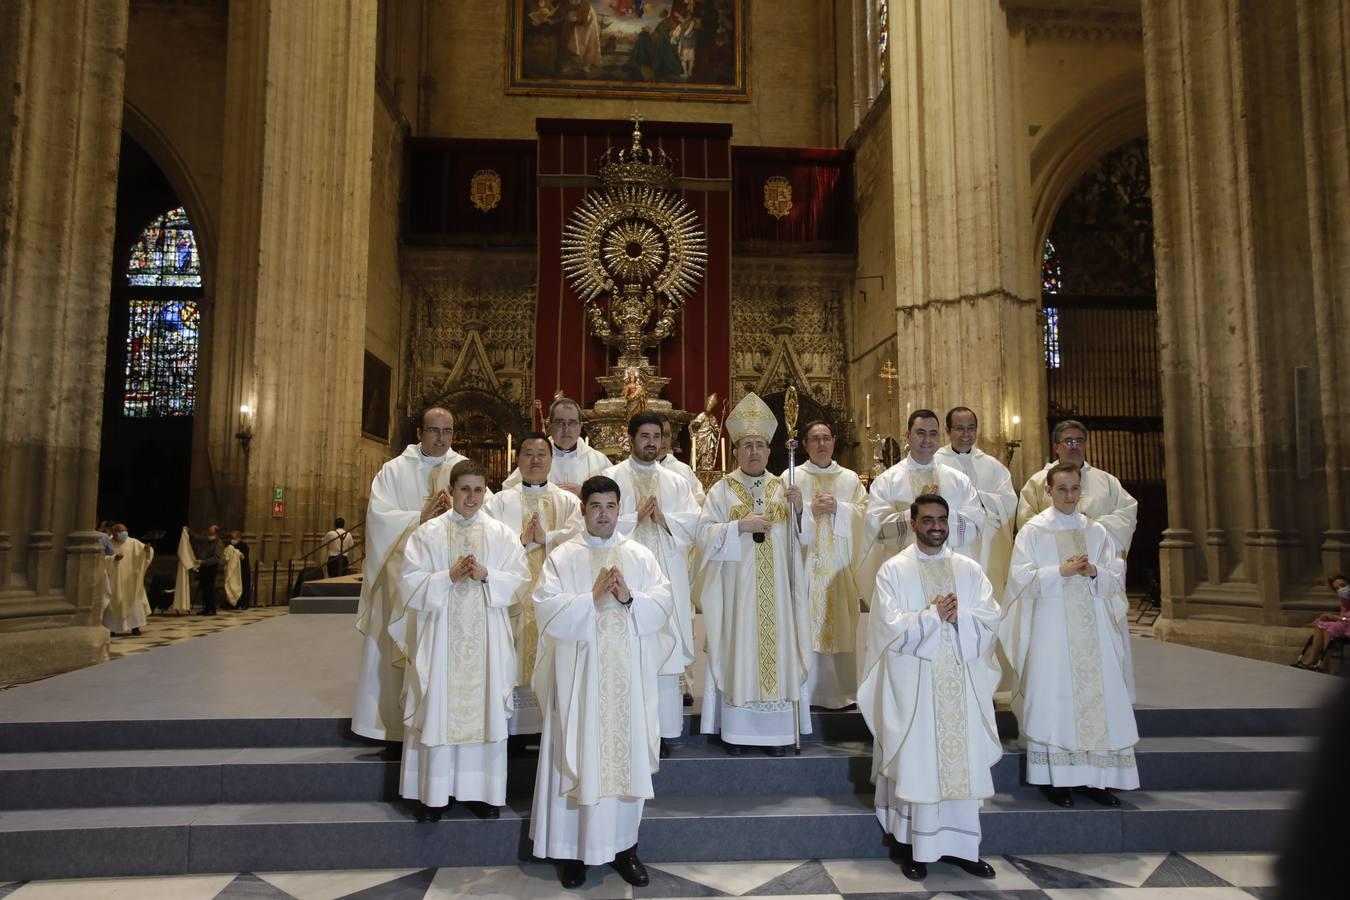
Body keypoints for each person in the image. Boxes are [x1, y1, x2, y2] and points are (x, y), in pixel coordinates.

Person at [529, 475, 674, 889]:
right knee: (577, 754)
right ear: (584, 510)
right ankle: (574, 852)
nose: (604, 514)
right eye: (596, 506)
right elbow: (545, 609)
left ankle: (624, 848)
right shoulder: (563, 557)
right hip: (578, 680)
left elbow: (663, 605)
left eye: (611, 506)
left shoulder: (640, 556)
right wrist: (589, 599)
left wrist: (630, 598)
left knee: (621, 760)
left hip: (626, 681)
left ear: (618, 508)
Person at [858, 495, 1000, 881]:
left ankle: (963, 848)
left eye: (941, 519)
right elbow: (887, 628)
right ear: (913, 521)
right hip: (916, 686)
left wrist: (960, 618)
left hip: (960, 682)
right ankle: (913, 847)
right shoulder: (893, 570)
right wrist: (932, 616)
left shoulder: (969, 570)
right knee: (919, 764)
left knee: (959, 765)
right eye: (927, 520)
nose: (936, 526)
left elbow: (990, 619)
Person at [395, 459, 527, 822]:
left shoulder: (501, 535)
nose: (471, 497)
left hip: (486, 640)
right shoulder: (427, 534)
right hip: (440, 639)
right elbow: (408, 583)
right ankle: (433, 793)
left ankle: (482, 792)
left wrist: (487, 576)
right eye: (464, 489)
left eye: (478, 489)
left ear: (486, 492)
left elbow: (520, 580)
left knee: (484, 708)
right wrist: (446, 577)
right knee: (438, 704)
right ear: (450, 491)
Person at [1000, 462, 1139, 808]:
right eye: (1061, 489)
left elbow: (1115, 579)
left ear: (1082, 490)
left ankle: (1096, 779)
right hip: (1051, 633)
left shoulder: (1097, 532)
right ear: (1048, 491)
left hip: (1093, 632)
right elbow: (1018, 581)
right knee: (1054, 700)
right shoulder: (1033, 532)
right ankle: (1055, 779)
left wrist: (1094, 573)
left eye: (1074, 489)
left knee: (1099, 699)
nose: (1068, 496)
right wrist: (1058, 572)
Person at [696, 391, 812, 756]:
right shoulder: (721, 490)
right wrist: (737, 527)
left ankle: (777, 735)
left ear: (769, 449)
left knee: (777, 653)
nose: (754, 452)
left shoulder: (785, 488)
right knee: (739, 652)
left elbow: (801, 543)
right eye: (746, 445)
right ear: (735, 451)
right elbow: (702, 537)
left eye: (760, 445)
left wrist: (798, 512)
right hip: (737, 595)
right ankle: (739, 732)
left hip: (777, 596)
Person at [351, 407, 462, 742]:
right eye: (434, 431)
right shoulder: (393, 470)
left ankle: (440, 725)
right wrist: (419, 516)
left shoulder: (463, 468)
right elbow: (378, 519)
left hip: (447, 580)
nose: (441, 438)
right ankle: (389, 727)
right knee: (394, 648)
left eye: (447, 432)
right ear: (420, 433)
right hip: (401, 579)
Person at [604, 412, 701, 753]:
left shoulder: (676, 482)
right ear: (630, 439)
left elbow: (695, 524)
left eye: (656, 437)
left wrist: (664, 518)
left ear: (663, 440)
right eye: (644, 436)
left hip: (665, 584)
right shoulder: (612, 477)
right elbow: (597, 522)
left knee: (665, 653)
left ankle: (662, 733)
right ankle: (625, 730)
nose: (650, 443)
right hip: (624, 581)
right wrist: (634, 518)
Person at [484, 433, 583, 736]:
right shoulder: (499, 502)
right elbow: (486, 541)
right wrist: (521, 540)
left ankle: (549, 729)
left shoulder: (567, 501)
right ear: (518, 459)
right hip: (512, 600)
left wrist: (547, 538)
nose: (535, 460)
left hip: (552, 597)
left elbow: (581, 539)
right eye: (528, 454)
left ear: (552, 460)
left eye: (542, 454)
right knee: (511, 657)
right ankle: (513, 730)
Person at [789, 420, 867, 709]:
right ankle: (807, 691)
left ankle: (840, 694)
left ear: (834, 441)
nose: (821, 444)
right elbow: (779, 519)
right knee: (805, 624)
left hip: (839, 568)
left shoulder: (849, 479)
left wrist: (841, 510)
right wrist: (806, 509)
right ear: (805, 445)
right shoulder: (792, 476)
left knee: (841, 624)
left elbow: (865, 516)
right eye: (814, 439)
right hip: (806, 568)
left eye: (826, 438)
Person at [865, 409, 985, 562]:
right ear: (908, 436)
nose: (927, 439)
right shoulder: (886, 481)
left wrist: (941, 511)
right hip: (906, 570)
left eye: (933, 433)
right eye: (920, 433)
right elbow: (877, 530)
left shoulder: (959, 480)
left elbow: (976, 526)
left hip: (951, 567)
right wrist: (917, 511)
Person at [1016, 420, 1138, 556]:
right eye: (1068, 442)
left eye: (1079, 441)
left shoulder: (1107, 481)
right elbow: (1026, 521)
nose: (1074, 446)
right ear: (1056, 447)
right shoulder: (1038, 481)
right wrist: (1059, 527)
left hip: (1097, 557)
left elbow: (1126, 515)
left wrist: (1093, 524)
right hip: (1055, 559)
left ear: (1085, 445)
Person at [934, 407, 1018, 598]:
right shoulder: (936, 462)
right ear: (947, 430)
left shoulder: (992, 465)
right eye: (959, 428)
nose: (966, 434)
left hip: (987, 544)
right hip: (952, 540)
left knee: (986, 595)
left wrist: (977, 498)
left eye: (971, 428)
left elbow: (1009, 502)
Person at [503, 396, 611, 496]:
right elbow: (509, 493)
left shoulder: (598, 461)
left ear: (580, 426)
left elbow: (613, 497)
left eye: (572, 422)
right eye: (560, 423)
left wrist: (585, 494)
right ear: (550, 426)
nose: (566, 429)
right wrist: (544, 493)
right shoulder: (535, 459)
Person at [102, 524, 153, 637]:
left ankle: (135, 627)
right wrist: (113, 559)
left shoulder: (134, 543)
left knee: (134, 601)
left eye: (124, 530)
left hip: (130, 580)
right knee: (114, 601)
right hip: (115, 580)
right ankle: (112, 628)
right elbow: (102, 558)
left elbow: (146, 554)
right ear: (113, 532)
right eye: (119, 531)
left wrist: (147, 550)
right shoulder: (108, 542)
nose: (122, 533)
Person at [1293, 574, 1350, 671]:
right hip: (1345, 624)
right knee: (1321, 622)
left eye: (1343, 585)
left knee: (1331, 627)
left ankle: (1324, 664)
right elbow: (1344, 617)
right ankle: (1313, 659)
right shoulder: (1344, 600)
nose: (1341, 589)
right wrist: (1330, 617)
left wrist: (1336, 618)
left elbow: (1345, 619)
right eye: (1337, 588)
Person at [657, 416, 705, 505]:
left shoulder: (684, 470)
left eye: (666, 435)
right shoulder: (633, 469)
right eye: (657, 435)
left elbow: (699, 500)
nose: (662, 441)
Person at [190, 525, 225, 616]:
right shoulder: (206, 540)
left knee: (210, 589)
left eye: (211, 533)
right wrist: (188, 531)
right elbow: (197, 538)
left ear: (216, 533)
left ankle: (212, 609)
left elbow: (216, 558)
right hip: (204, 567)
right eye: (209, 532)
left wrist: (203, 561)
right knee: (204, 589)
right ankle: (206, 608)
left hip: (211, 568)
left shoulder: (218, 543)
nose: (209, 534)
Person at [229, 530, 252, 609]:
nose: (232, 540)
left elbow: (242, 556)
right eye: (231, 538)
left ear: (239, 538)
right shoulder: (231, 546)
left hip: (243, 569)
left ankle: (245, 603)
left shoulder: (244, 546)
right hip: (234, 570)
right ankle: (235, 603)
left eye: (234, 538)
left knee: (244, 587)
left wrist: (236, 553)